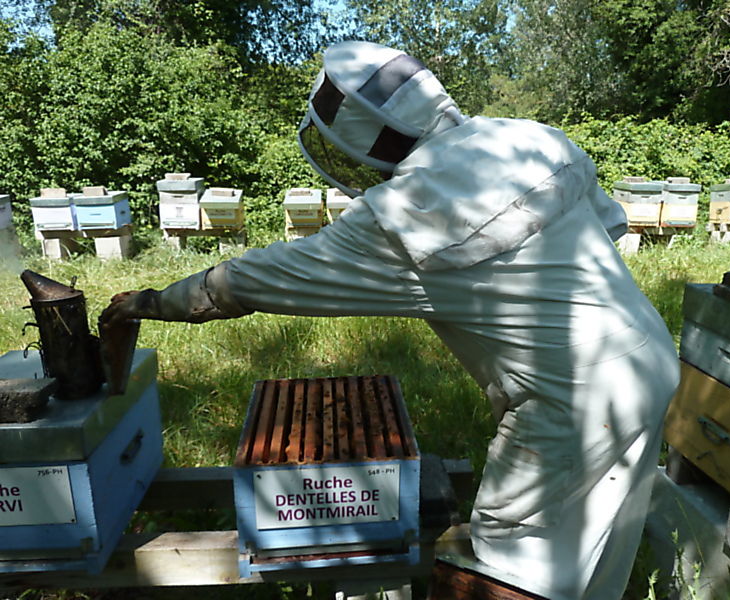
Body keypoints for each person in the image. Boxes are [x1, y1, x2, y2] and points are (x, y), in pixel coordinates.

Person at [101, 41, 680, 600]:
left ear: (357, 140)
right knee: (601, 544)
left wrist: (151, 302)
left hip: (570, 403)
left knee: (516, 558)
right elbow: (611, 227)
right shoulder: (524, 138)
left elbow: (256, 279)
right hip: (650, 359)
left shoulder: (404, 213)